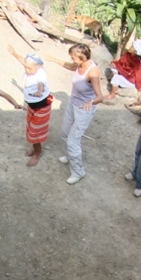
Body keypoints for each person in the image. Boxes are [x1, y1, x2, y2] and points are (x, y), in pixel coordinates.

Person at [45, 44, 103, 184]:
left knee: (73, 141)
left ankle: (78, 172)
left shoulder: (93, 72)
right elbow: (70, 66)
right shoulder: (79, 65)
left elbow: (100, 96)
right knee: (65, 133)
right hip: (73, 103)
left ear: (83, 57)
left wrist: (92, 102)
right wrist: (53, 59)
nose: (71, 59)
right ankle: (70, 155)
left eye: (73, 57)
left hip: (84, 109)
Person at [7, 45, 52, 167]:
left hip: (41, 105)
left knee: (34, 131)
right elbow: (23, 60)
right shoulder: (31, 66)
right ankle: (37, 149)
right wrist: (14, 53)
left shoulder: (40, 74)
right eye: (25, 67)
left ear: (37, 67)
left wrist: (39, 91)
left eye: (29, 68)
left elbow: (41, 84)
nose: (26, 70)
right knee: (30, 127)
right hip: (32, 105)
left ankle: (37, 152)